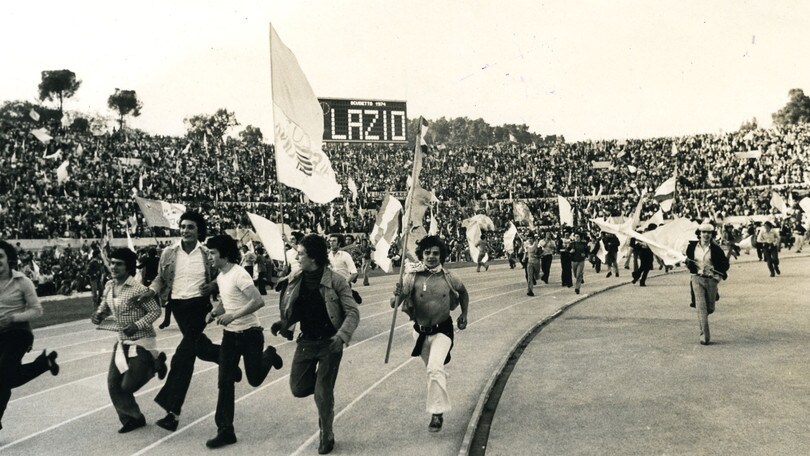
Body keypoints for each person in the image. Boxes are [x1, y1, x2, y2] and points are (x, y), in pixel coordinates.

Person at [133, 211, 223, 432]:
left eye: (190, 227)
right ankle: (229, 355)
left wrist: (212, 286)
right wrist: (150, 291)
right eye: (182, 227)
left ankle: (172, 413)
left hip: (199, 307)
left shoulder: (206, 253)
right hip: (178, 307)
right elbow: (160, 279)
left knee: (182, 359)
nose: (185, 231)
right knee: (198, 349)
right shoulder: (169, 252)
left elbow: (223, 273)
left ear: (198, 230)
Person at [271, 234, 359, 454]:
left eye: (301, 253)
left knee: (322, 391)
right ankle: (325, 398)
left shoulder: (336, 281)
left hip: (330, 343)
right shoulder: (296, 278)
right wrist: (283, 323)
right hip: (306, 342)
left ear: (313, 257)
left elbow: (352, 312)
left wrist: (341, 336)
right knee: (298, 388)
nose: (297, 257)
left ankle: (326, 433)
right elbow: (295, 309)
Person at [203, 235, 283, 449]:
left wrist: (233, 315)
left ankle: (270, 355)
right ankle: (225, 431)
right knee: (224, 383)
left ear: (224, 254)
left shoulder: (239, 274)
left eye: (212, 253)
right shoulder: (221, 276)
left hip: (250, 334)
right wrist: (215, 312)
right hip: (230, 336)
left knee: (254, 378)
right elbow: (226, 300)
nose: (210, 257)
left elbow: (258, 301)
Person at [391, 236, 469, 433]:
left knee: (433, 368)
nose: (431, 257)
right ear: (422, 255)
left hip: (443, 330)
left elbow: (463, 292)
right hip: (419, 333)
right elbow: (394, 304)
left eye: (435, 253)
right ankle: (439, 379)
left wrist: (464, 314)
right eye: (427, 253)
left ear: (442, 255)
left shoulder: (449, 277)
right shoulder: (412, 277)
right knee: (433, 370)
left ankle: (437, 413)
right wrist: (396, 293)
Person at [90, 248, 168, 434]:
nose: (114, 267)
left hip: (142, 341)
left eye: (119, 264)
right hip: (122, 341)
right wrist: (99, 314)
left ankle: (155, 364)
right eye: (112, 263)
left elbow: (155, 311)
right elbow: (105, 306)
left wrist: (138, 324)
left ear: (128, 267)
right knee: (113, 384)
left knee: (128, 385)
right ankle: (133, 418)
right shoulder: (109, 285)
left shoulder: (138, 288)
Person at [0, 240, 60, 432]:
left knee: (3, 374)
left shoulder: (22, 281)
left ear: (8, 259)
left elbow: (37, 311)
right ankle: (44, 364)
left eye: (0, 256)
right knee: (6, 378)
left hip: (19, 333)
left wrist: (14, 318)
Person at [685, 222, 729, 345]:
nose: (706, 235)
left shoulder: (716, 249)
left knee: (710, 308)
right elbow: (688, 262)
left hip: (711, 280)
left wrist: (718, 276)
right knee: (701, 308)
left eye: (709, 232)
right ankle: (705, 336)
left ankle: (713, 297)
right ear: (699, 234)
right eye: (703, 232)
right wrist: (688, 264)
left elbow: (725, 264)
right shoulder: (691, 247)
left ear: (712, 234)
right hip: (696, 279)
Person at [523, 231, 540, 296]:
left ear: (533, 239)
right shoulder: (526, 245)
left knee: (537, 276)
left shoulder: (536, 244)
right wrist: (524, 258)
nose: (529, 240)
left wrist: (538, 255)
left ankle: (541, 275)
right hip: (530, 263)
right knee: (529, 277)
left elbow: (540, 253)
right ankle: (530, 291)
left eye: (531, 238)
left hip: (536, 263)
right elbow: (526, 252)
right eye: (528, 238)